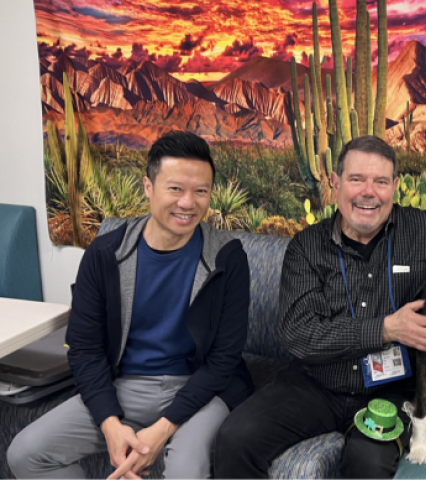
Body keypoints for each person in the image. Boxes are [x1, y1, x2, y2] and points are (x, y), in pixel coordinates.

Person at [8, 131, 254, 479]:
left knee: (185, 470)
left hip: (197, 387)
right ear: (148, 187)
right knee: (27, 453)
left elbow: (224, 359)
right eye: (175, 189)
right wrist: (110, 424)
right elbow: (84, 348)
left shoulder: (227, 257)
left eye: (201, 191)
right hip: (124, 385)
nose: (188, 203)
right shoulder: (106, 254)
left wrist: (162, 429)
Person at [214, 135, 426, 478]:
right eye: (356, 179)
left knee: (368, 461)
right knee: (234, 439)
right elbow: (298, 334)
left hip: (393, 389)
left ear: (395, 186)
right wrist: (385, 329)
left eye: (381, 182)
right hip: (314, 384)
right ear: (335, 183)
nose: (369, 192)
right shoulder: (307, 247)